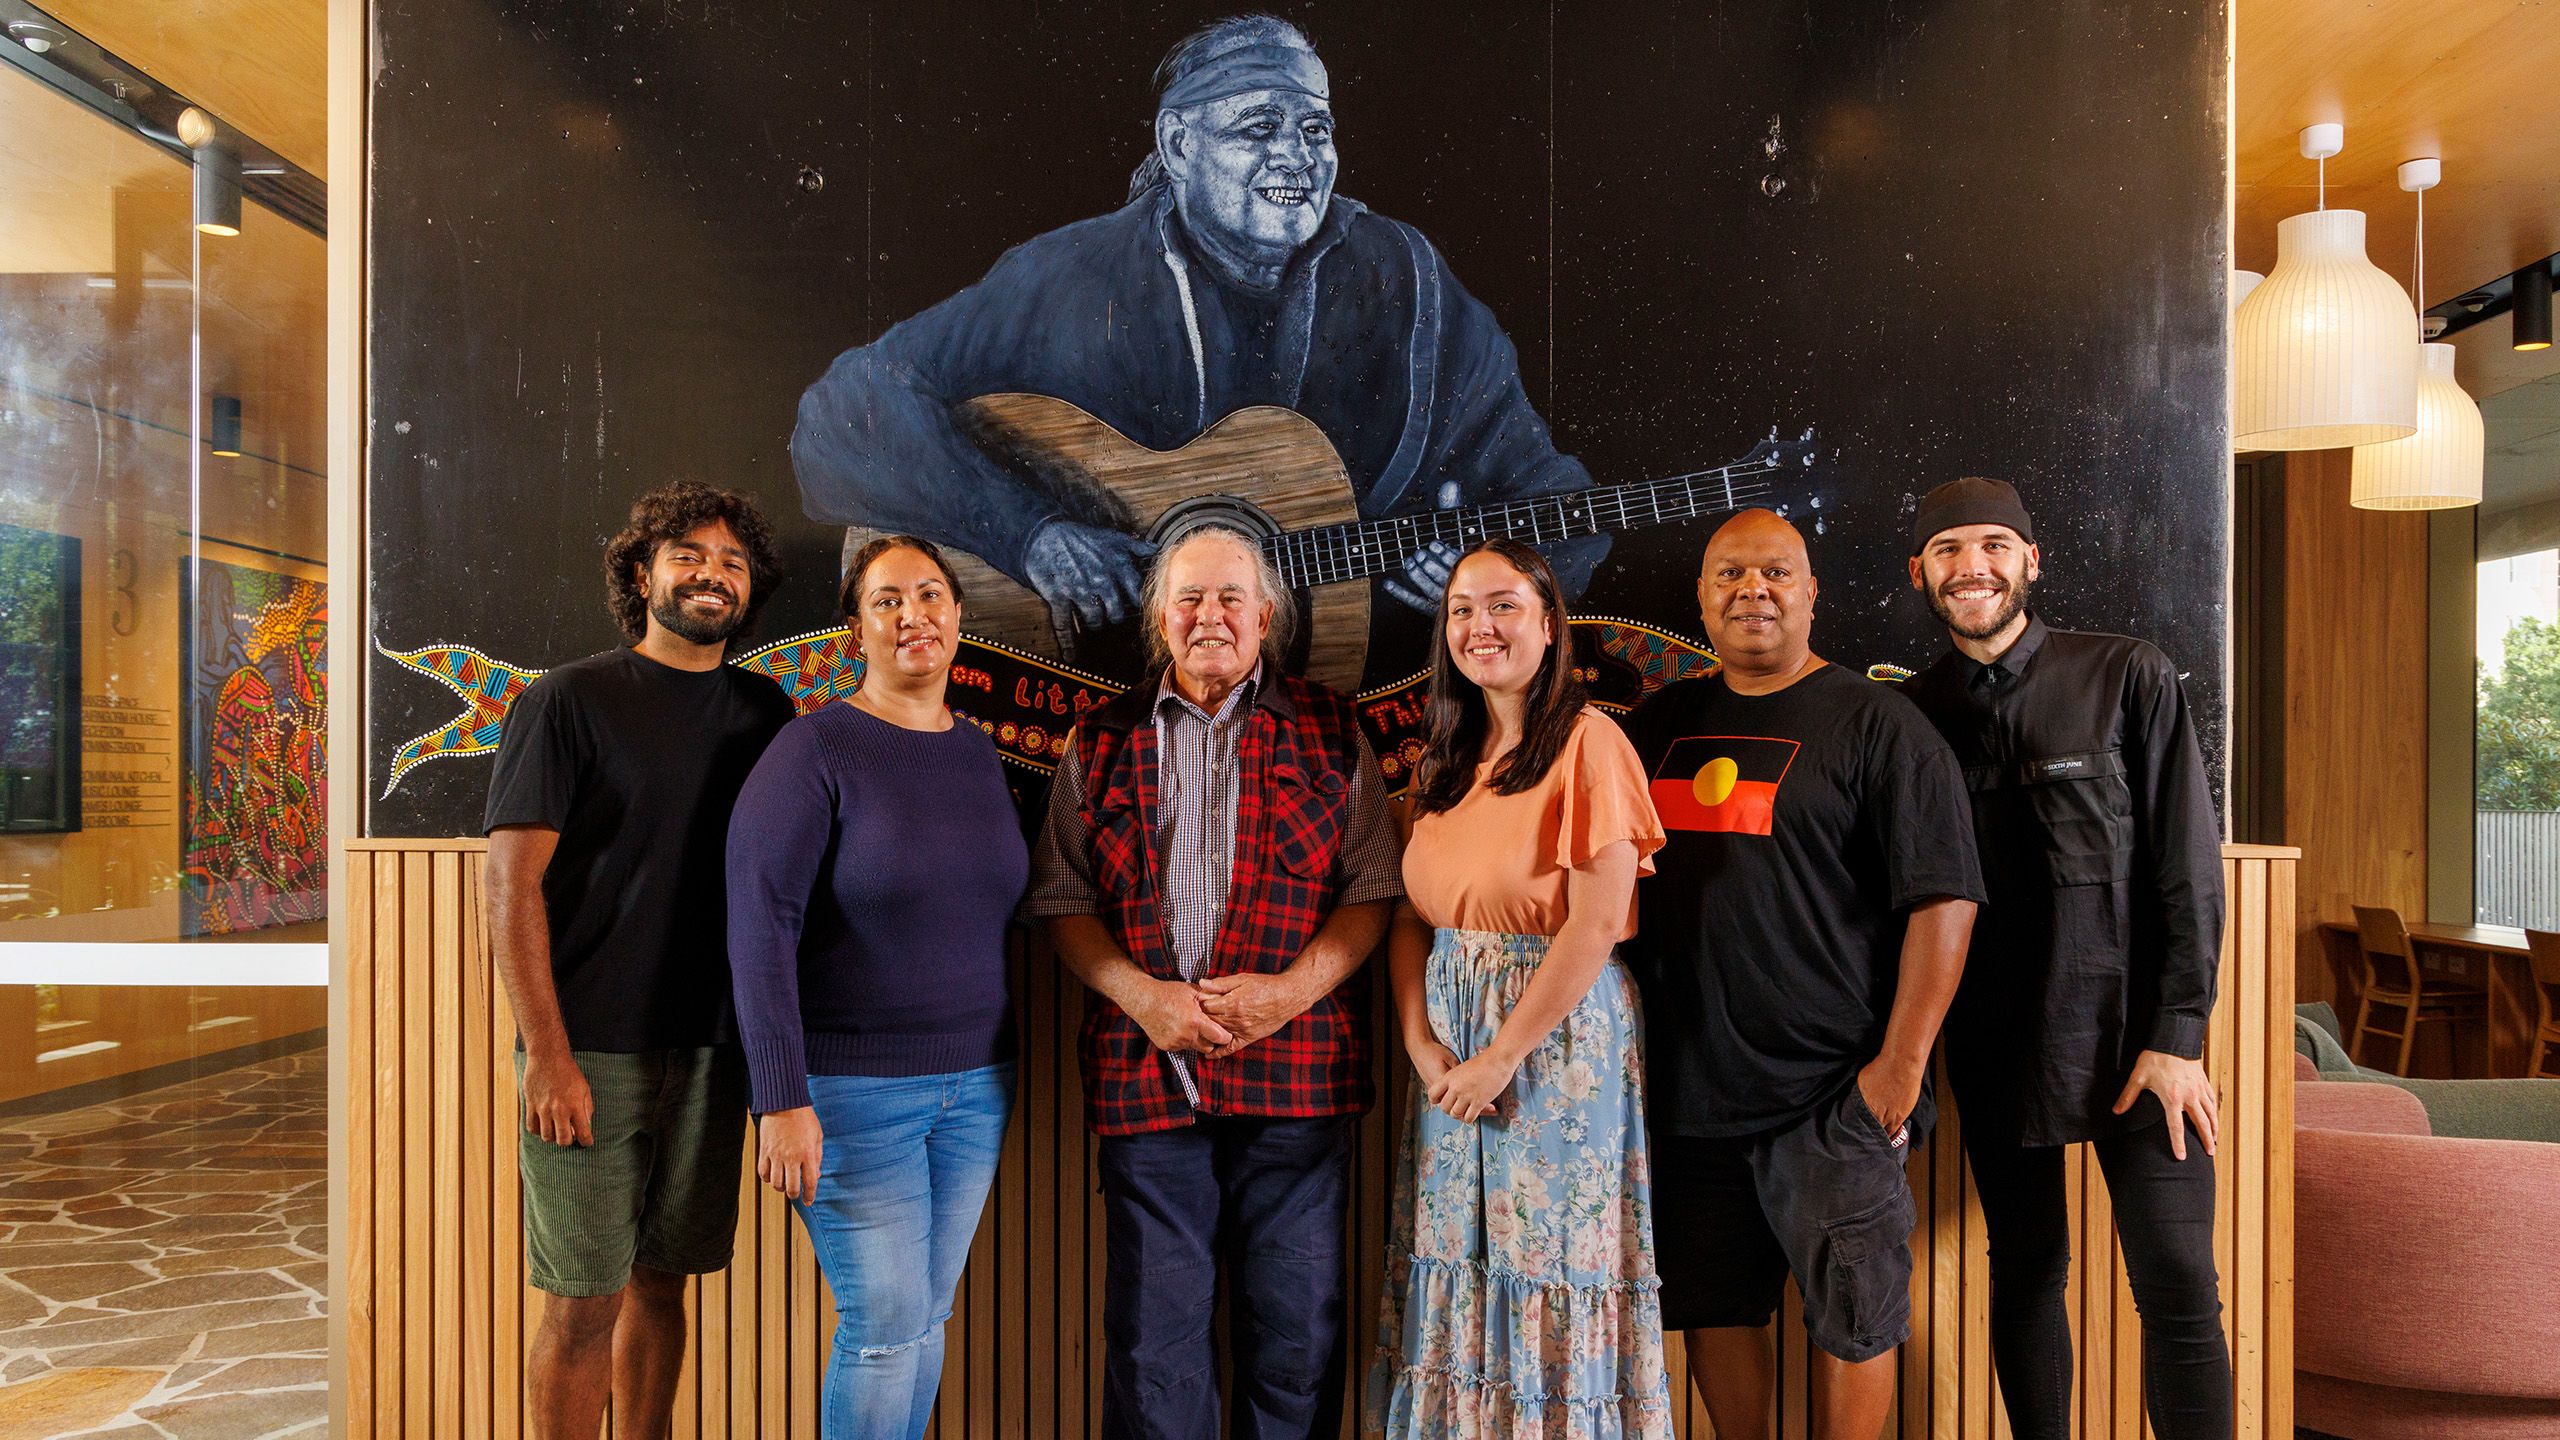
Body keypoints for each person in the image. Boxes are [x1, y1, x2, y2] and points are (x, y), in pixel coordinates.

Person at [791, 14, 1606, 659]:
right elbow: (842, 412)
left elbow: (1551, 494)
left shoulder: (1405, 278)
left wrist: (1492, 579)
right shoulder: (1070, 275)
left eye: (1316, 129)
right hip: (1107, 711)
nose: (1297, 155)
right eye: (1258, 127)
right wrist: (1032, 535)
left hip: (1330, 711)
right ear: (1179, 146)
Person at [1025, 524, 1403, 1438]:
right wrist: (1141, 996)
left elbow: (1374, 889)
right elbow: (1061, 897)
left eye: (1232, 597)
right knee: (1153, 1346)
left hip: (1299, 1086)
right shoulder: (1099, 742)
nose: (1211, 616)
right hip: (1146, 1082)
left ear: (1266, 615)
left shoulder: (1331, 729)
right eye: (1190, 598)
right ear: (1161, 616)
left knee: (1296, 1339)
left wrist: (1292, 991)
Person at [1623, 509, 1983, 1440]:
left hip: (1834, 1100)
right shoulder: (1658, 725)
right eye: (1731, 575)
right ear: (1701, 597)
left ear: (1813, 591)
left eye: (1777, 573)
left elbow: (1945, 901)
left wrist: (1898, 1072)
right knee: (1712, 1310)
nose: (1754, 591)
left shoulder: (1879, 725)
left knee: (1854, 1324)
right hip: (1688, 1098)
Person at [1901, 477, 2231, 1440]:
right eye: (1950, 549)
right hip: (1998, 1043)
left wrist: (2179, 1034)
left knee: (2177, 1279)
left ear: (2030, 562)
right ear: (1919, 571)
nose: (1974, 567)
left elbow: (2187, 870)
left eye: (1995, 545)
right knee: (2029, 1266)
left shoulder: (2129, 674)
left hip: (2142, 1046)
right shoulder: (1906, 715)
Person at [484, 481, 796, 1440]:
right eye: (689, 554)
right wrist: (548, 1053)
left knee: (666, 1283)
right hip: (591, 1056)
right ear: (641, 571)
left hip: (712, 1052)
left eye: (734, 562)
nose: (713, 574)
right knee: (583, 1303)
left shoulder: (766, 713)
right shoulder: (568, 700)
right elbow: (510, 889)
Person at [1365, 540, 1672, 1439]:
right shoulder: (1441, 759)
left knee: (1548, 1258)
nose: (1479, 626)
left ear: (1548, 625)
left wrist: (1503, 1054)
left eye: (1502, 606)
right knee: (1460, 1254)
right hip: (1453, 1055)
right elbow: (1413, 918)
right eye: (1461, 609)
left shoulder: (1592, 743)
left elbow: (1596, 923)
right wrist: (1423, 1044)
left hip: (1552, 1046)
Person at [726, 535, 1029, 1440]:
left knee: (923, 1320)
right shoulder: (812, 750)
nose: (913, 616)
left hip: (977, 1088)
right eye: (888, 601)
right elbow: (758, 924)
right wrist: (778, 1098)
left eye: (930, 596)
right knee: (886, 1330)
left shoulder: (979, 754)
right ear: (857, 628)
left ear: (958, 619)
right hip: (852, 1095)